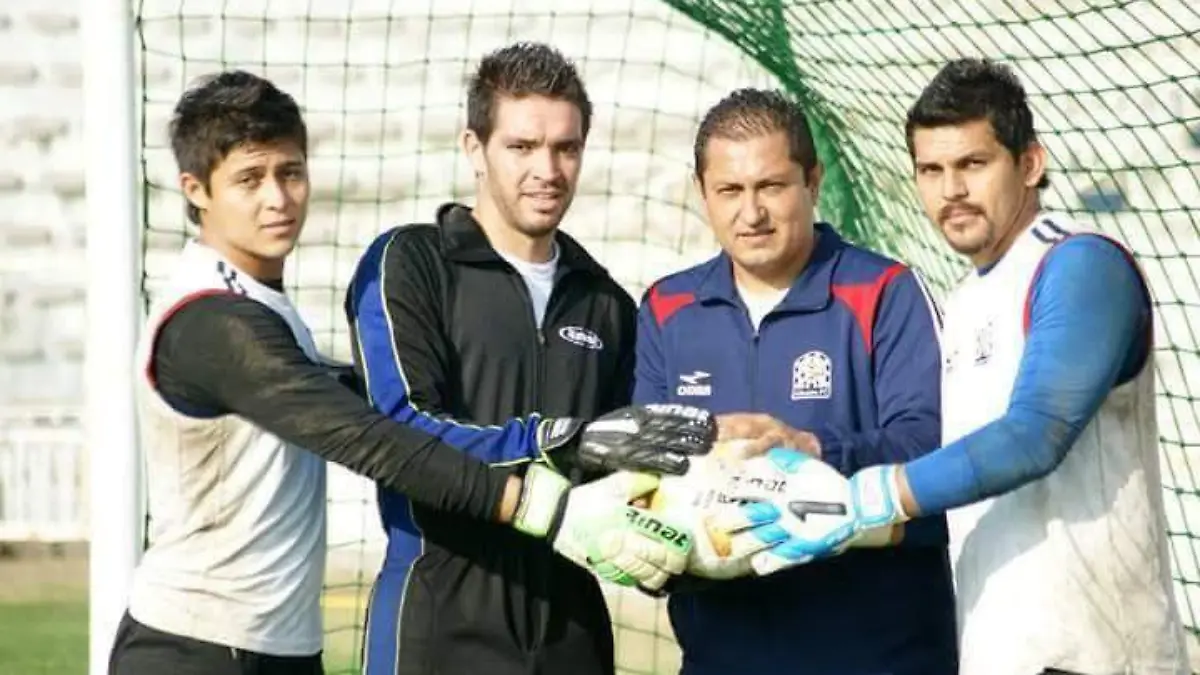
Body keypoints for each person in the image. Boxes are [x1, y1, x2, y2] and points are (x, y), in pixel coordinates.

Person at [108, 69, 709, 675]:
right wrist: (547, 496)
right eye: (249, 179)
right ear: (196, 190)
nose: (278, 198)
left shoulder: (266, 306)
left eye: (290, 173)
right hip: (194, 647)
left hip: (285, 649)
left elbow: (349, 398)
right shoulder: (213, 320)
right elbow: (375, 437)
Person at [717, 59, 1190, 674]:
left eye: (973, 164)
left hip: (1096, 658)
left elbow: (1034, 436)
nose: (952, 190)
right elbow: (949, 478)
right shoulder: (964, 301)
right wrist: (809, 481)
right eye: (931, 170)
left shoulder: (1079, 265)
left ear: (1030, 164)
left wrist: (861, 500)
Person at [342, 42, 708, 675]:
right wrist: (556, 440)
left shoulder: (607, 303)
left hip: (574, 630)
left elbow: (630, 475)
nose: (548, 169)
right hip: (439, 622)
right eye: (522, 147)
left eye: (566, 148)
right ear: (474, 148)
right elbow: (402, 429)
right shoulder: (410, 262)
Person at [632, 87, 958, 675]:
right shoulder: (666, 308)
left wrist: (812, 451)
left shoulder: (884, 292)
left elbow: (934, 449)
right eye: (730, 190)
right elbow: (649, 473)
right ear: (702, 193)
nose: (751, 213)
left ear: (813, 181)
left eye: (772, 186)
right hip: (720, 661)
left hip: (878, 660)